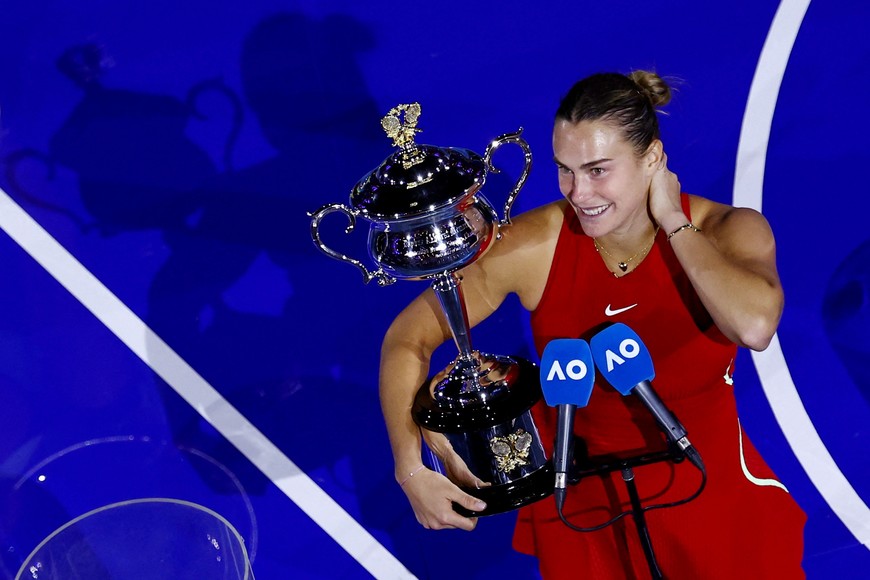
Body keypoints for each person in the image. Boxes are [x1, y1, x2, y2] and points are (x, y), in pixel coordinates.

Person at [378, 70, 806, 578]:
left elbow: (754, 326)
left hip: (708, 485)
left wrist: (673, 222)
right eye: (565, 170)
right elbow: (407, 338)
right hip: (582, 505)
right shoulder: (536, 245)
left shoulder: (727, 230)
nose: (579, 193)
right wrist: (409, 469)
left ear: (652, 157)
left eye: (598, 170)